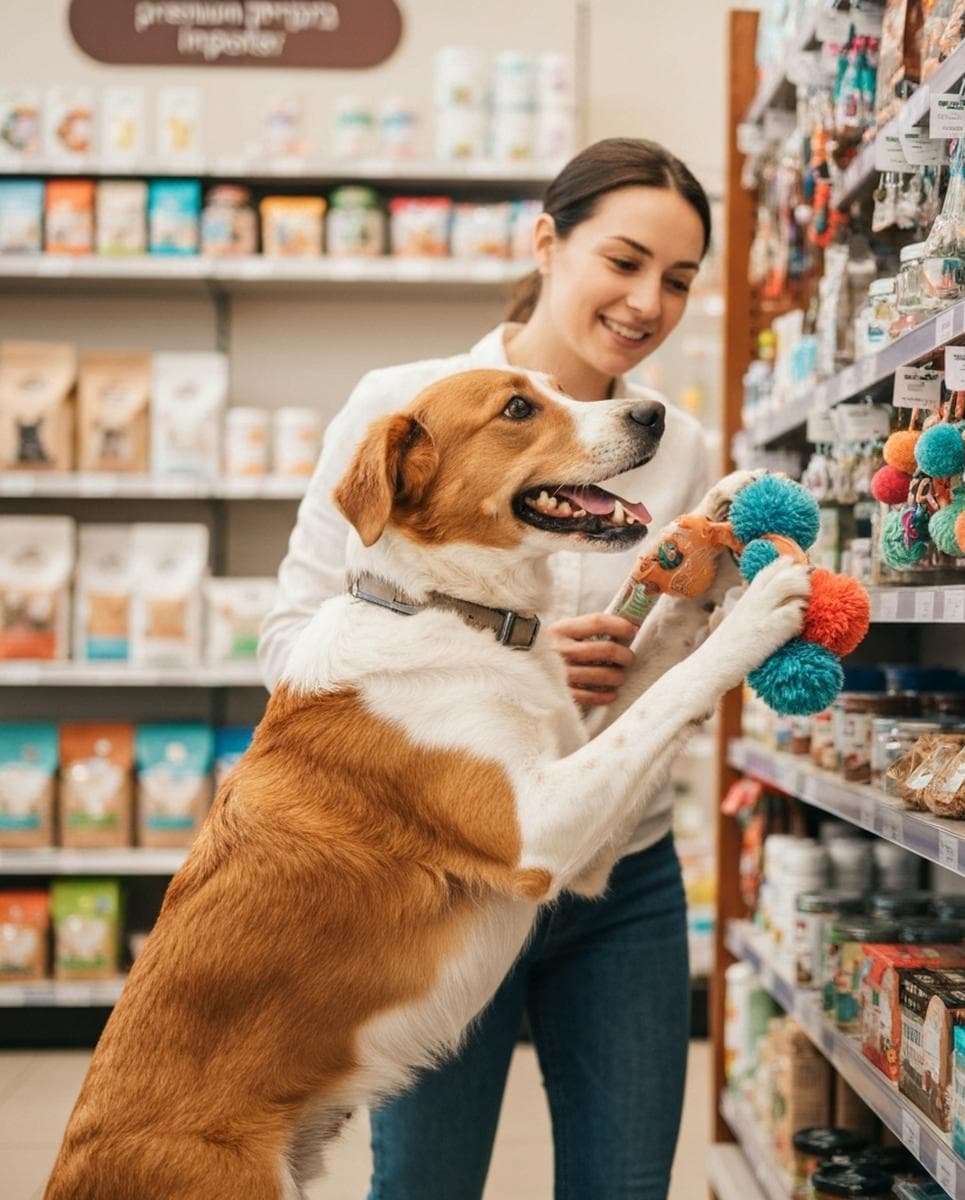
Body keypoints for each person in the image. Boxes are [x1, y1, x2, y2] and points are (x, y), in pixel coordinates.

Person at [258, 137, 714, 1200]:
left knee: (625, 1189)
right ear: (548, 242)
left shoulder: (674, 443)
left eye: (681, 280)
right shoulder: (405, 404)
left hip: (622, 880)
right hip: (442, 881)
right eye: (626, 259)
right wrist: (501, 653)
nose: (649, 302)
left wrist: (693, 618)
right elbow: (292, 648)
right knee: (425, 1187)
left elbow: (662, 681)